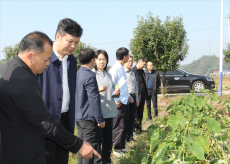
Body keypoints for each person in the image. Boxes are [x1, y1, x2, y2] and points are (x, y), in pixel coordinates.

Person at [0, 31, 100, 164]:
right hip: (22, 153)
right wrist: (79, 145)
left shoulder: (11, 68)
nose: (48, 64)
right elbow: (46, 123)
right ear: (31, 56)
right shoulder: (22, 79)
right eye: (46, 59)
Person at [37, 18, 82, 164]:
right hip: (45, 123)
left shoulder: (71, 60)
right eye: (70, 41)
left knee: (62, 159)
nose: (73, 46)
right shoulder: (43, 58)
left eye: (76, 42)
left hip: (65, 121)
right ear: (58, 36)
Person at [75, 48, 105, 164]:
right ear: (92, 60)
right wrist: (100, 119)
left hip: (79, 117)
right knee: (89, 150)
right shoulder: (90, 76)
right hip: (88, 118)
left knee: (81, 148)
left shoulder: (77, 74)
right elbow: (94, 99)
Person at [93, 50, 120, 164]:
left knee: (108, 139)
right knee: (98, 140)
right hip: (99, 112)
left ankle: (106, 160)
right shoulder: (92, 74)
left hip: (109, 110)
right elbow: (89, 93)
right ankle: (97, 161)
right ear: (94, 60)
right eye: (99, 59)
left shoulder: (109, 74)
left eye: (104, 59)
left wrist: (116, 92)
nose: (102, 61)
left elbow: (112, 88)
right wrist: (98, 90)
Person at [109, 47, 134, 157]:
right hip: (118, 102)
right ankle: (117, 149)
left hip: (124, 101)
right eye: (128, 55)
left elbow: (122, 85)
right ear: (124, 57)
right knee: (119, 125)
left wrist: (128, 96)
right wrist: (115, 100)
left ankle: (122, 146)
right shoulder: (114, 69)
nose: (129, 57)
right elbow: (111, 87)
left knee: (124, 124)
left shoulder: (121, 68)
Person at [124, 56, 139, 142]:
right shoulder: (123, 73)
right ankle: (125, 138)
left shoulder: (133, 73)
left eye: (132, 61)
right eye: (129, 61)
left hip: (133, 96)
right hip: (126, 97)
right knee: (126, 118)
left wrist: (136, 98)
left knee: (132, 118)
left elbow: (135, 86)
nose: (130, 63)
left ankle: (130, 136)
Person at [131, 57, 148, 132]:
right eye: (143, 64)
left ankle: (139, 128)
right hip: (136, 95)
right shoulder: (133, 71)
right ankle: (133, 129)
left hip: (142, 94)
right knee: (135, 112)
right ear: (138, 62)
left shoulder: (142, 71)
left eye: (145, 65)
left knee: (141, 112)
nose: (144, 66)